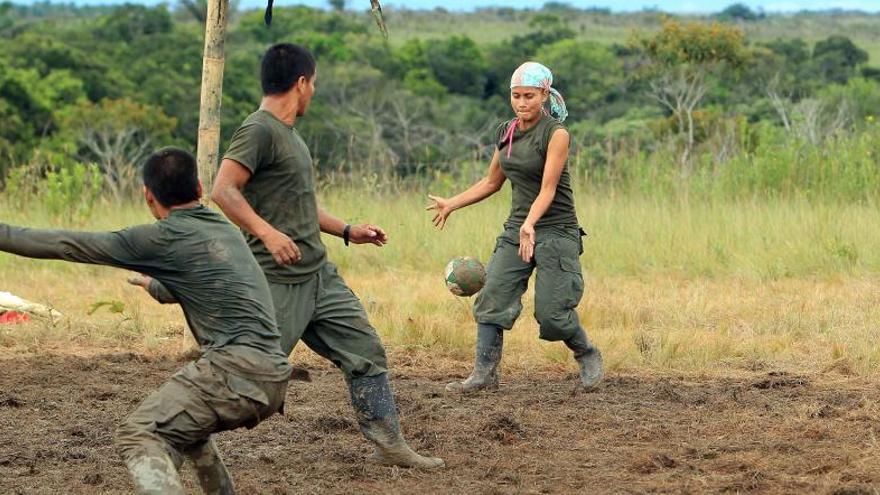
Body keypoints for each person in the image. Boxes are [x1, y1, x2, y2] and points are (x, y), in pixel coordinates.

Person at [0, 148, 292, 494]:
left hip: (234, 372)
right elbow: (190, 283)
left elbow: (66, 244)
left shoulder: (161, 238)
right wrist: (153, 283)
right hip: (273, 372)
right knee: (185, 430)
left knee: (138, 433)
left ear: (147, 196)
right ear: (199, 187)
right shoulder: (221, 228)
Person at [209, 43, 443, 469]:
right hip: (278, 279)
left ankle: (389, 445)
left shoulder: (290, 137)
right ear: (301, 83)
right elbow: (223, 190)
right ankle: (179, 429)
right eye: (313, 83)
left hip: (319, 275)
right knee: (253, 375)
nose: (313, 92)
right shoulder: (258, 130)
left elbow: (301, 206)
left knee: (365, 350)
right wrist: (266, 232)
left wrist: (350, 231)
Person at [427, 61, 604, 393]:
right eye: (516, 96)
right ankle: (484, 376)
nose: (522, 103)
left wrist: (531, 224)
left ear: (544, 95)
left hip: (556, 230)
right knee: (492, 298)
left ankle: (587, 353)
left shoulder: (556, 134)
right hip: (517, 229)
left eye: (529, 96)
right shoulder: (506, 131)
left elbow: (548, 189)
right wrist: (452, 202)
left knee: (552, 316)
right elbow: (492, 181)